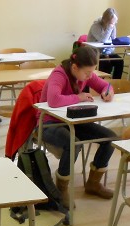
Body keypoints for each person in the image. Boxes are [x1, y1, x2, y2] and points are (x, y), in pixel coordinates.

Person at [39, 46, 116, 206]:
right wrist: (79, 97)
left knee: (110, 138)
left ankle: (93, 183)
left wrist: (108, 91)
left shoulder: (85, 74)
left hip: (73, 121)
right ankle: (61, 188)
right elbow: (54, 100)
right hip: (49, 122)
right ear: (75, 67)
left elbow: (106, 85)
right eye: (87, 73)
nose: (90, 76)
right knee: (73, 143)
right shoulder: (59, 74)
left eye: (92, 72)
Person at [87, 8, 124, 79]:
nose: (113, 24)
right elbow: (103, 39)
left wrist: (108, 53)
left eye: (114, 22)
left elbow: (113, 40)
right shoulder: (95, 26)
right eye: (111, 22)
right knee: (105, 63)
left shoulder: (112, 25)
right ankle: (101, 82)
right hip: (94, 52)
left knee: (119, 61)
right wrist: (110, 27)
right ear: (105, 20)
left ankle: (116, 82)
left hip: (106, 52)